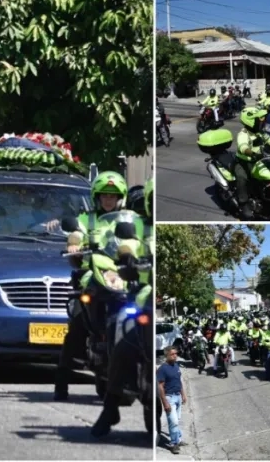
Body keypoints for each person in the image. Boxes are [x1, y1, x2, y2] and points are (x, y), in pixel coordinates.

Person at [55, 171, 129, 401]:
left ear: (120, 198)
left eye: (113, 196)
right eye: (104, 196)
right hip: (90, 277)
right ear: (97, 197)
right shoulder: (87, 219)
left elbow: (137, 240)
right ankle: (61, 382)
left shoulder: (128, 220)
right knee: (77, 326)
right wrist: (74, 244)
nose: (108, 200)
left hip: (119, 276)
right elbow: (76, 233)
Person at [90, 178, 153, 437]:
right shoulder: (138, 226)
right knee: (121, 336)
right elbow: (127, 244)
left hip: (154, 296)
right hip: (141, 297)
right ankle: (110, 406)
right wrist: (127, 258)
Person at [235, 107, 270, 219]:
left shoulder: (259, 132)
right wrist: (252, 154)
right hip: (245, 162)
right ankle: (243, 204)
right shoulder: (243, 134)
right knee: (241, 178)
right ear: (251, 121)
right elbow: (243, 147)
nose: (262, 121)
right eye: (259, 119)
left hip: (260, 160)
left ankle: (268, 198)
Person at [157, 346, 187, 454]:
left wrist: (183, 395)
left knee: (177, 420)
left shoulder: (176, 365)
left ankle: (178, 439)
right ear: (167, 355)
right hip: (169, 398)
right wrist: (165, 402)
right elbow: (160, 386)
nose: (175, 356)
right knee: (173, 421)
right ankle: (173, 443)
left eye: (176, 353)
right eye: (172, 354)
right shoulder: (162, 369)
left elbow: (178, 381)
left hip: (178, 396)